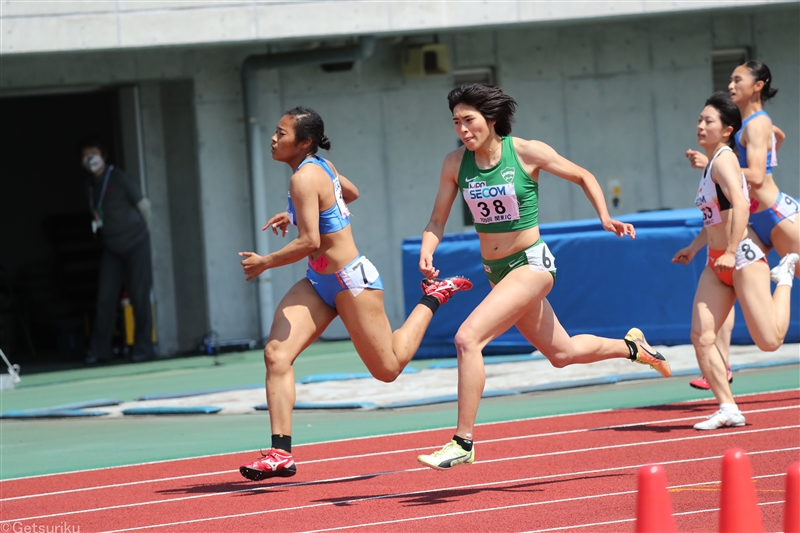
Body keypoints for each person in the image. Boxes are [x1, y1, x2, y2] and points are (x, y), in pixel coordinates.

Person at [415, 84, 671, 471]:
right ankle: (634, 348)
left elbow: (583, 175)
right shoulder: (455, 163)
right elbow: (437, 220)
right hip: (496, 272)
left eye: (469, 121)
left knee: (468, 339)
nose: (463, 130)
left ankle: (462, 441)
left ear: (491, 119)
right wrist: (427, 248)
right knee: (562, 354)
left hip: (531, 265)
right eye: (456, 123)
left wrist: (605, 217)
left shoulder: (525, 151)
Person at [237, 107, 472, 481]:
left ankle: (434, 297)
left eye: (281, 134)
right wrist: (296, 214)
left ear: (305, 142)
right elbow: (350, 193)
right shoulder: (319, 168)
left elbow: (311, 240)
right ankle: (281, 453)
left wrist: (265, 261)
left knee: (389, 369)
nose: (273, 138)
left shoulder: (305, 177)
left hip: (350, 281)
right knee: (276, 354)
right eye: (275, 132)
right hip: (318, 281)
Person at [672, 92, 797, 431]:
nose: (700, 125)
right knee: (702, 335)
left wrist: (728, 251)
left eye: (708, 121)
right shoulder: (712, 164)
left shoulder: (725, 159)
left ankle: (784, 276)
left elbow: (742, 206)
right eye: (699, 119)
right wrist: (696, 248)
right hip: (717, 262)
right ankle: (728, 407)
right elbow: (715, 217)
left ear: (727, 130)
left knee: (769, 342)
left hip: (740, 257)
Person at [80, 138, 156, 364]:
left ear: (103, 156)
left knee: (139, 297)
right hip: (111, 248)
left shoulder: (119, 177)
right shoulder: (90, 185)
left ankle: (144, 349)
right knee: (105, 299)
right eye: (86, 155)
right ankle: (99, 350)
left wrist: (147, 230)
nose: (90, 159)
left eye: (94, 153)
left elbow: (144, 205)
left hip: (135, 244)